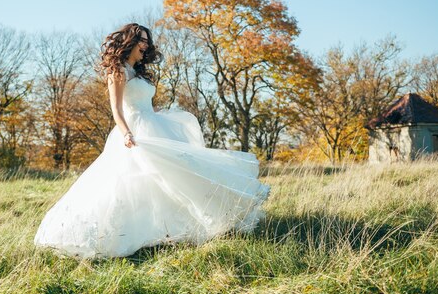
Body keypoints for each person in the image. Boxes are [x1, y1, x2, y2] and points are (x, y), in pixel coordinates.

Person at [33, 23, 270, 258]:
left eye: (147, 41)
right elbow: (116, 109)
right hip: (132, 132)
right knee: (132, 183)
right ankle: (127, 234)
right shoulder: (118, 71)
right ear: (129, 42)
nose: (146, 45)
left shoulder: (139, 72)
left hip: (152, 126)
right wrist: (126, 133)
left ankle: (169, 230)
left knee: (173, 176)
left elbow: (146, 103)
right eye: (142, 40)